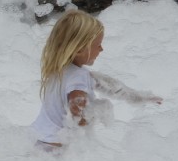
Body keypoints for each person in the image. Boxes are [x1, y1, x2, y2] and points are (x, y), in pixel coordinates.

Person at [31, 9, 162, 149]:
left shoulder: (57, 70)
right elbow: (76, 108)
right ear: (79, 49)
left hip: (38, 138)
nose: (101, 49)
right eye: (98, 45)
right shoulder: (78, 77)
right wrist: (91, 115)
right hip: (58, 147)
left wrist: (141, 97)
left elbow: (110, 86)